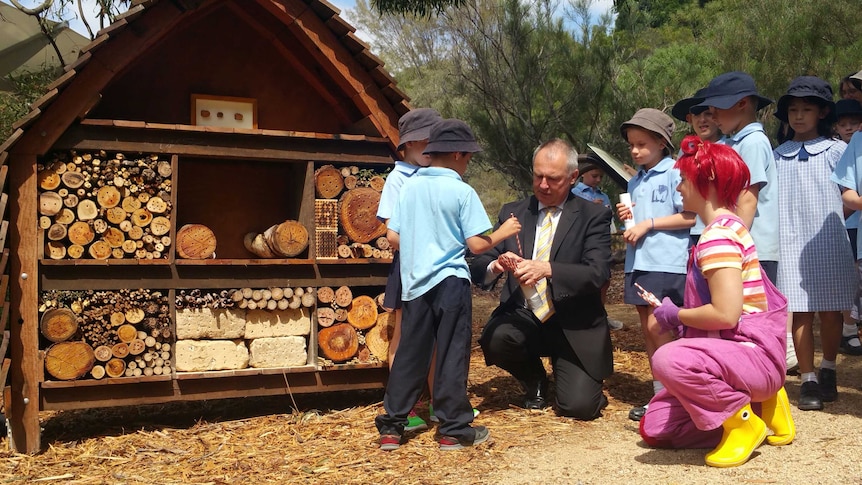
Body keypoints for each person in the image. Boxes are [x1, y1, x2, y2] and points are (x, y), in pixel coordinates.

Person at [640, 135, 794, 468]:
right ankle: (765, 404)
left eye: (683, 179)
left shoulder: (717, 238)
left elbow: (726, 315)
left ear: (705, 182)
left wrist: (674, 314)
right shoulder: (732, 227)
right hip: (742, 356)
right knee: (655, 426)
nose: (678, 187)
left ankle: (742, 422)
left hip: (749, 353)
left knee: (669, 360)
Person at [375, 119, 521, 451]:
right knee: (452, 354)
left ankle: (392, 428)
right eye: (468, 158)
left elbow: (393, 235)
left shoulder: (409, 187)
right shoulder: (461, 191)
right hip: (451, 282)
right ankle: (454, 428)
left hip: (415, 284)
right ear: (457, 154)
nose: (468, 165)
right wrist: (503, 232)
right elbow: (476, 245)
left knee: (411, 353)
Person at [472, 138, 613, 420]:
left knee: (579, 408)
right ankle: (534, 379)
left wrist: (548, 269)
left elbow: (598, 273)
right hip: (525, 317)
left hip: (575, 325)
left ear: (573, 177)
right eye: (538, 176)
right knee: (496, 338)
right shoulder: (513, 212)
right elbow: (479, 265)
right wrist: (496, 266)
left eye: (553, 178)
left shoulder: (594, 215)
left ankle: (574, 375)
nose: (543, 185)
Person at [693, 72, 793, 374]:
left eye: (718, 108)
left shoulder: (752, 141)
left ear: (743, 104)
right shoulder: (731, 141)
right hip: (740, 247)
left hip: (752, 248)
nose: (712, 115)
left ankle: (763, 379)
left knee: (752, 322)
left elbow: (748, 199)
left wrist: (729, 239)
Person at [774, 76, 855, 410]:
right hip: (790, 241)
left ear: (823, 112)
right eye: (793, 109)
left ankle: (829, 367)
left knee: (833, 310)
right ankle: (807, 379)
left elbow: (850, 192)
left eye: (807, 109)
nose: (799, 116)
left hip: (830, 239)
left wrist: (838, 215)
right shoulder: (778, 155)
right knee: (801, 312)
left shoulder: (838, 150)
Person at [615, 108, 695, 422]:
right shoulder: (635, 180)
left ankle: (678, 393)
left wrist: (648, 223)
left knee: (659, 326)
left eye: (642, 144)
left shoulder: (676, 172)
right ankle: (660, 392)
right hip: (640, 262)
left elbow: (690, 216)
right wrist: (628, 220)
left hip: (668, 262)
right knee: (647, 330)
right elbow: (638, 221)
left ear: (662, 142)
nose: (635, 150)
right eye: (632, 144)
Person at [376, 107, 442, 432]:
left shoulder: (441, 175)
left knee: (438, 336)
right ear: (408, 145)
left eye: (434, 140)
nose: (430, 147)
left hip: (439, 268)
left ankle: (443, 404)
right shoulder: (398, 179)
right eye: (423, 141)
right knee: (403, 337)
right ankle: (406, 408)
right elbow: (393, 234)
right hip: (410, 268)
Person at [571, 160, 624, 331]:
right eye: (594, 176)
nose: (598, 180)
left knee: (603, 280)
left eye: (601, 176)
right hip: (579, 244)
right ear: (582, 174)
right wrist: (590, 209)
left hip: (600, 243)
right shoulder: (574, 193)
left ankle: (600, 316)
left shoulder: (603, 195)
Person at [671, 87, 721, 247]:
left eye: (708, 114)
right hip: (690, 231)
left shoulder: (728, 149)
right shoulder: (685, 151)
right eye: (697, 115)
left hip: (718, 228)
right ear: (689, 119)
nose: (702, 120)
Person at [833, 99, 862, 356]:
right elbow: (846, 193)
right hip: (848, 228)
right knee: (850, 280)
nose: (849, 128)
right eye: (844, 124)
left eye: (854, 123)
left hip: (852, 223)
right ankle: (849, 329)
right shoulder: (841, 149)